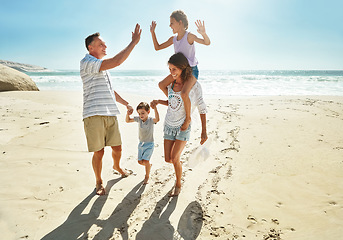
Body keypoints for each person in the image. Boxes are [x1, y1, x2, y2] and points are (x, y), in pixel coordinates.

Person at [80, 24, 142, 195]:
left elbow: (110, 90)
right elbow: (117, 62)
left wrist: (125, 103)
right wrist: (133, 43)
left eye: (105, 44)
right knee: (99, 151)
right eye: (101, 44)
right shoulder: (87, 62)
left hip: (110, 113)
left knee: (118, 148)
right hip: (94, 114)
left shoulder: (102, 68)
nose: (105, 46)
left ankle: (117, 166)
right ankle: (99, 181)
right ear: (90, 47)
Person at [151, 52, 208, 197]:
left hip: (183, 126)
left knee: (175, 158)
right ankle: (179, 166)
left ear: (183, 67)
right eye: (169, 70)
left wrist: (204, 131)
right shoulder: (171, 84)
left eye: (174, 69)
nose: (171, 73)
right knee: (168, 159)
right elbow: (172, 101)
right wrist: (159, 101)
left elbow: (202, 107)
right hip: (169, 124)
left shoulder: (193, 86)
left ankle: (178, 184)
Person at [150, 10, 210, 133]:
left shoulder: (190, 36)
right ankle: (176, 103)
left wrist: (204, 34)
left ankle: (188, 119)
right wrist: (152, 33)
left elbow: (207, 43)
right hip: (179, 70)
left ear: (180, 22)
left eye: (172, 23)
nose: (170, 26)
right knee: (161, 85)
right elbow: (157, 47)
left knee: (184, 93)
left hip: (192, 71)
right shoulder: (173, 39)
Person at [126, 102, 160, 184]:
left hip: (149, 144)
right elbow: (127, 121)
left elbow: (157, 119)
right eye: (139, 113)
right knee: (140, 162)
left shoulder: (151, 120)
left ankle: (147, 176)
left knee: (146, 161)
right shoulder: (139, 119)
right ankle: (148, 166)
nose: (141, 115)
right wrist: (127, 114)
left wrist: (155, 108)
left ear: (148, 112)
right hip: (141, 144)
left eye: (143, 113)